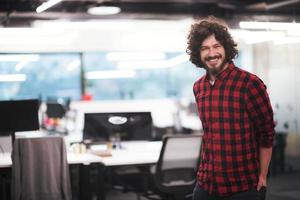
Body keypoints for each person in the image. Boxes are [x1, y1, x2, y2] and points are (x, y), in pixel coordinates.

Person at [186, 16, 275, 200]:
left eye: (216, 46)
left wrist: (263, 176)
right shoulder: (198, 87)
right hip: (206, 184)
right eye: (205, 48)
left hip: (242, 186)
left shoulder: (249, 84)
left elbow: (266, 134)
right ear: (198, 53)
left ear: (226, 48)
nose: (212, 53)